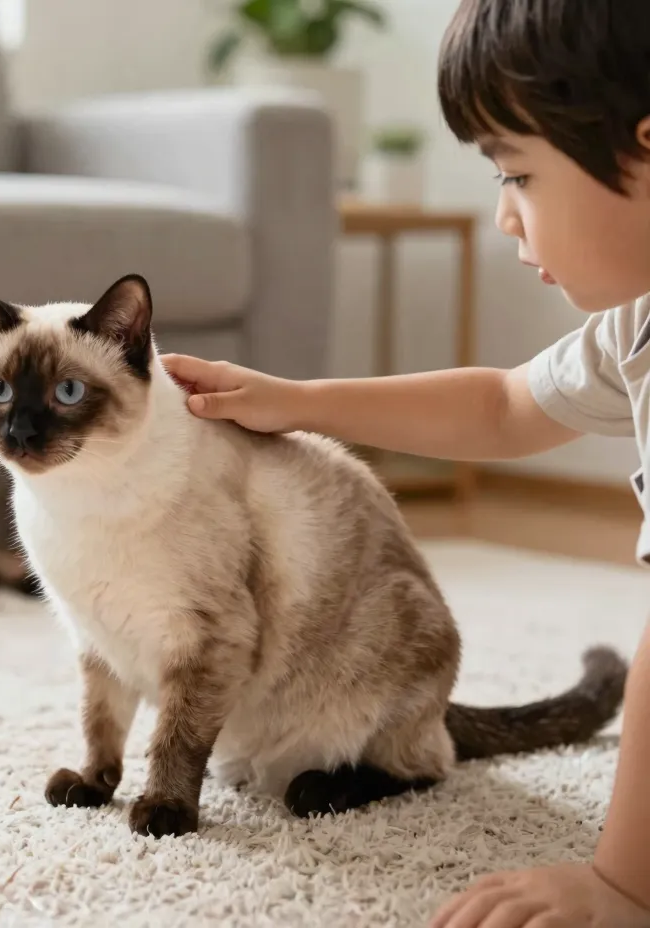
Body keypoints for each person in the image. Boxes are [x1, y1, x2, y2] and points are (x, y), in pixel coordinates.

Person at [161, 0, 650, 924]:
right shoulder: (635, 330)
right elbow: (502, 406)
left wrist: (625, 882)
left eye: (520, 175)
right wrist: (296, 401)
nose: (505, 216)